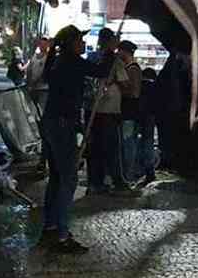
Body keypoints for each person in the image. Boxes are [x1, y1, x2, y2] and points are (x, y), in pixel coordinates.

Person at [38, 25, 113, 253]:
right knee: (68, 180)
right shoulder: (71, 61)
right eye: (80, 40)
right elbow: (101, 71)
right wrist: (109, 51)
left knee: (57, 178)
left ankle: (51, 226)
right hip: (62, 126)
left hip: (52, 123)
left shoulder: (59, 60)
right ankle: (62, 235)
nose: (83, 44)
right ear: (71, 43)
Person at [85, 29, 133, 195]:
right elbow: (125, 84)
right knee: (112, 148)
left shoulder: (91, 57)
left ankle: (95, 182)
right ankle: (117, 180)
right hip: (109, 110)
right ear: (109, 41)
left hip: (91, 109)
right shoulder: (114, 61)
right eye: (114, 40)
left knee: (94, 148)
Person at [118, 41, 144, 183]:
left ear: (125, 52)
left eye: (119, 51)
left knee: (128, 144)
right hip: (126, 112)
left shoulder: (133, 69)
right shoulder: (128, 68)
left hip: (129, 112)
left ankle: (128, 174)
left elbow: (134, 93)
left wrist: (120, 88)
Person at [136, 67, 159, 185]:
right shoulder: (154, 87)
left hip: (137, 117)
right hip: (150, 117)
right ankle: (149, 171)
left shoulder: (139, 85)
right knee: (148, 143)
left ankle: (138, 169)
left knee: (138, 143)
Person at [24, 37, 52, 115]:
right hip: (33, 88)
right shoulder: (34, 56)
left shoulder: (49, 58)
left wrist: (35, 81)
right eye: (41, 44)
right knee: (31, 108)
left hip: (43, 88)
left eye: (44, 44)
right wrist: (29, 82)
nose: (42, 46)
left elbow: (44, 72)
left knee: (41, 109)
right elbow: (30, 69)